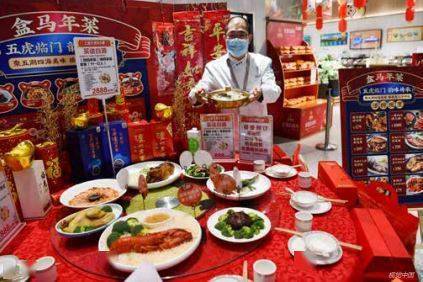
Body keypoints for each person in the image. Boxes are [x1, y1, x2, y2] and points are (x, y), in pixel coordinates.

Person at [188, 16, 281, 116]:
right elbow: (199, 90)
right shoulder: (213, 67)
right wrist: (197, 94)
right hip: (227, 127)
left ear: (249, 38)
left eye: (241, 35)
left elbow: (274, 91)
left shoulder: (263, 62)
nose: (236, 39)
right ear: (225, 38)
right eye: (232, 35)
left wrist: (261, 92)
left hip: (254, 126)